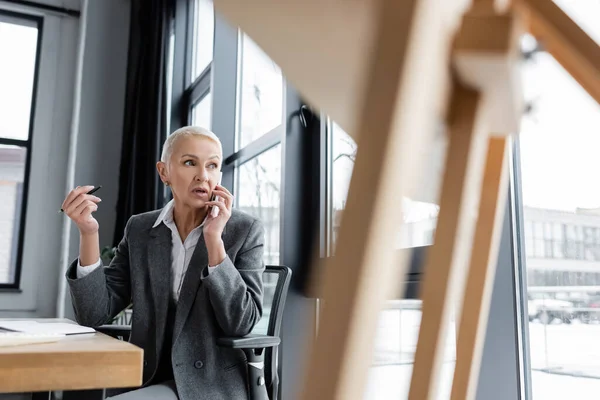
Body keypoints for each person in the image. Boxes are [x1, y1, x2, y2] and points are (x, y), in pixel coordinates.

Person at [63, 126, 265, 399]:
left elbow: (241, 324)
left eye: (213, 165)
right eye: (190, 162)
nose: (203, 176)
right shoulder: (140, 228)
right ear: (164, 172)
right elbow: (95, 313)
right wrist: (89, 233)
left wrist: (214, 239)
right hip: (145, 377)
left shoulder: (243, 229)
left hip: (208, 384)